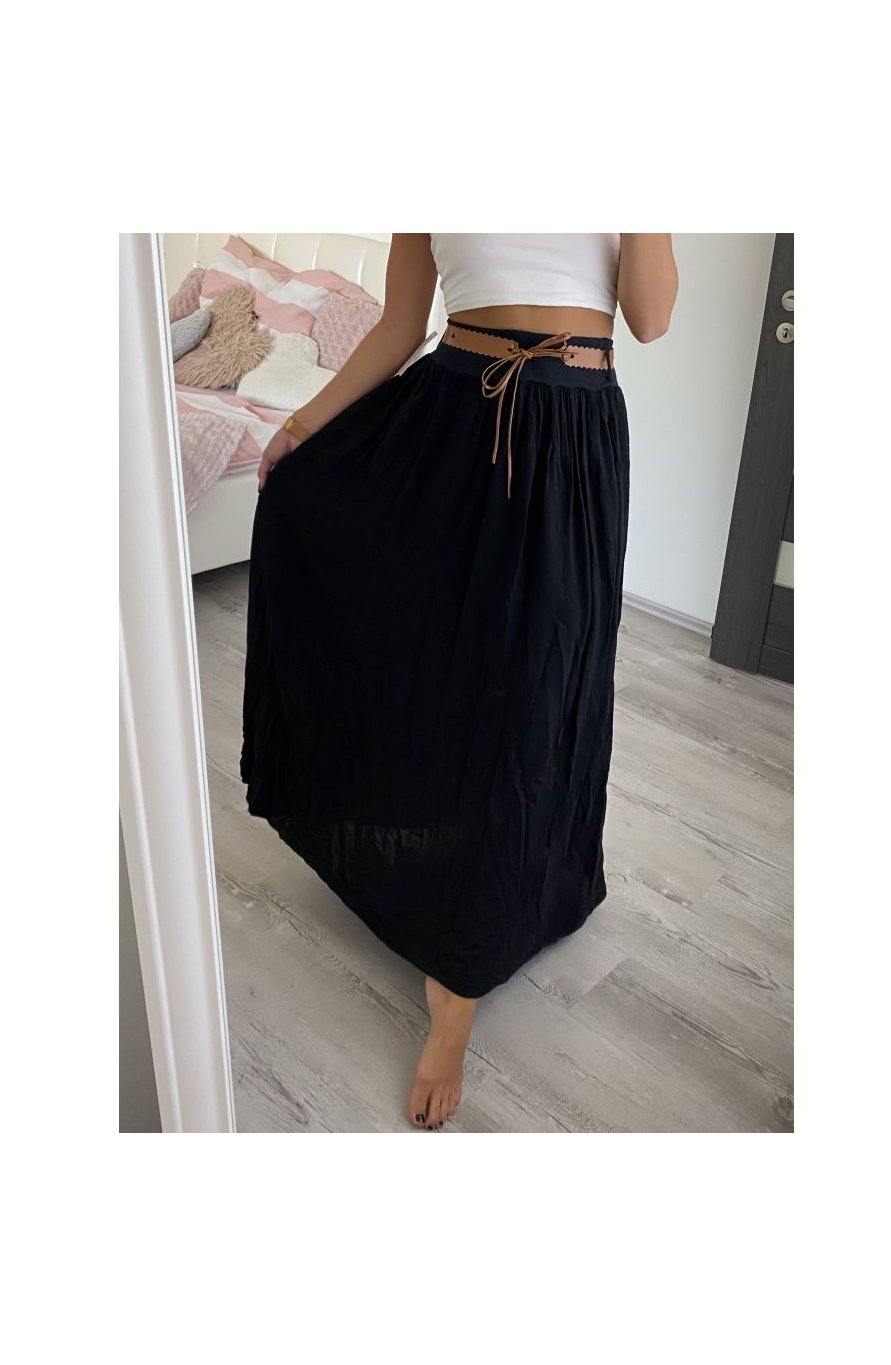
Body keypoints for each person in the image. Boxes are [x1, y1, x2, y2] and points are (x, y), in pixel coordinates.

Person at [241, 233, 678, 1131]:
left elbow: (651, 317)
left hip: (572, 434)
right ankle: (449, 942)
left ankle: (479, 952)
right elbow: (402, 324)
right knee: (442, 676)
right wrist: (303, 426)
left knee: (535, 695)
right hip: (449, 420)